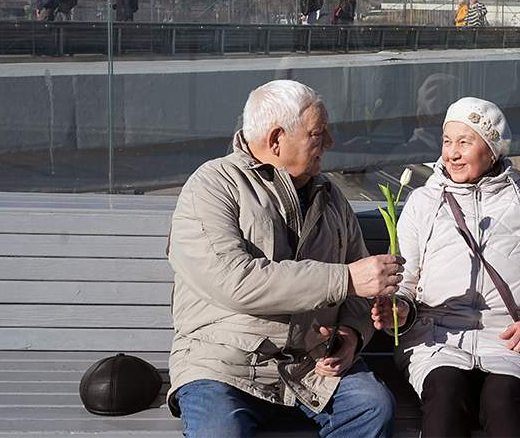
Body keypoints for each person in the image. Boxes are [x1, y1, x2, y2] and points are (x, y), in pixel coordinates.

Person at [168, 80, 401, 437]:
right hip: (224, 364)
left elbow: (359, 291)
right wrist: (345, 279)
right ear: (276, 139)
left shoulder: (331, 197)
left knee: (373, 408)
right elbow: (235, 281)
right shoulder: (212, 185)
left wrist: (353, 335)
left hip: (312, 366)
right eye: (318, 134)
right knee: (219, 431)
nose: (330, 143)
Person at [372, 97, 520, 437]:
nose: (451, 153)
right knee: (445, 396)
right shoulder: (423, 203)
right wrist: (399, 311)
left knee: (505, 402)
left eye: (464, 142)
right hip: (437, 339)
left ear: (492, 149)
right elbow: (405, 284)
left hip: (511, 341)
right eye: (446, 141)